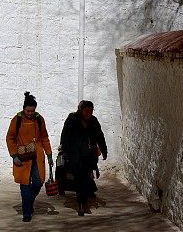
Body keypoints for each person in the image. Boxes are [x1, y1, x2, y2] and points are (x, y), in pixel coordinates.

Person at [6, 91, 53, 222]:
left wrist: (49, 154)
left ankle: (28, 202)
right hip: (22, 157)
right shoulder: (17, 119)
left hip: (37, 157)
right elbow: (10, 138)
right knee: (25, 184)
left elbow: (44, 137)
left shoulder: (39, 119)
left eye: (32, 111)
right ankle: (27, 212)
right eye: (28, 111)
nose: (30, 113)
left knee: (38, 182)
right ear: (24, 109)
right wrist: (14, 155)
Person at [59, 100, 107, 216]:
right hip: (75, 155)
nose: (88, 113)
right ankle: (81, 205)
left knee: (86, 179)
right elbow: (65, 135)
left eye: (91, 111)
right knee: (80, 179)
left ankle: (83, 203)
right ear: (81, 110)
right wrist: (65, 152)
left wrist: (103, 150)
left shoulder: (93, 121)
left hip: (89, 155)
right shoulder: (72, 119)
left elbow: (100, 136)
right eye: (86, 111)